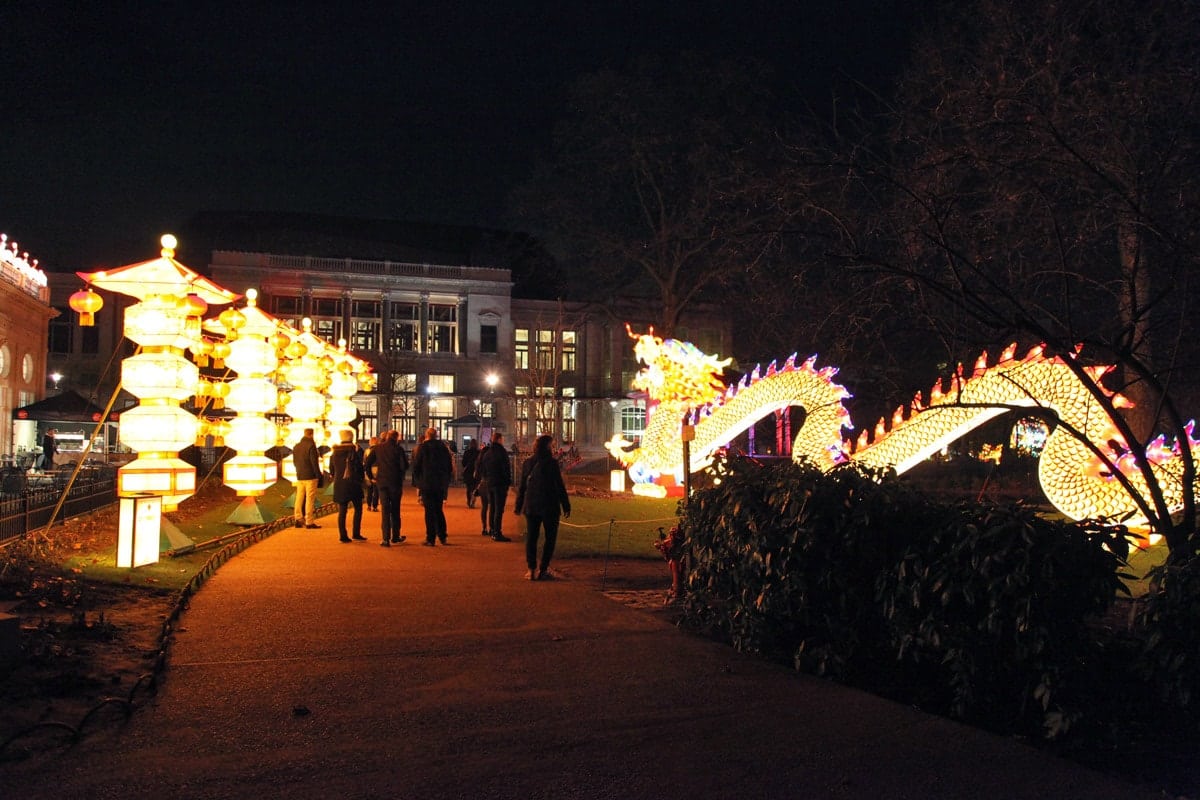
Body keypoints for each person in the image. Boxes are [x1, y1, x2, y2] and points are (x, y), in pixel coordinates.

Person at [514, 434, 571, 581]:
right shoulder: (552, 463)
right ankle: (543, 569)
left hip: (532, 505)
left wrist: (519, 505)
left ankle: (531, 569)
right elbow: (559, 485)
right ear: (548, 447)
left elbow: (522, 486)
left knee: (532, 538)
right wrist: (565, 504)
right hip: (549, 505)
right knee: (550, 538)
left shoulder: (528, 463)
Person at [411, 426, 454, 546]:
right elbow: (449, 466)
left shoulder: (423, 448)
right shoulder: (443, 448)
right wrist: (445, 480)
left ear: (427, 436)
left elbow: (416, 466)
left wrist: (419, 481)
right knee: (439, 509)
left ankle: (430, 538)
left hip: (427, 484)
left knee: (429, 511)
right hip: (439, 484)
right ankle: (442, 535)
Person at [365, 429, 408, 547]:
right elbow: (405, 466)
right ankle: (395, 536)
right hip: (395, 483)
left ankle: (385, 538)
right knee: (395, 509)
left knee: (385, 510)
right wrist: (400, 474)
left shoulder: (378, 448)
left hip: (382, 482)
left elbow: (367, 463)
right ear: (397, 437)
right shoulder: (399, 449)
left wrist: (371, 477)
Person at [329, 430, 367, 543]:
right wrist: (361, 480)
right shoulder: (354, 452)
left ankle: (343, 535)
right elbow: (359, 468)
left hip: (340, 484)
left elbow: (331, 469)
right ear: (352, 438)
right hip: (353, 484)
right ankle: (356, 533)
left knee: (342, 510)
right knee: (358, 509)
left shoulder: (334, 453)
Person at [476, 431, 512, 542]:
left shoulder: (488, 453)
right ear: (500, 439)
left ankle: (492, 529)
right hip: (500, 483)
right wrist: (507, 482)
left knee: (492, 507)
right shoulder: (502, 452)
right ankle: (497, 532)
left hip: (490, 483)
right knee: (499, 508)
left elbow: (483, 468)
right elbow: (506, 469)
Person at [292, 428, 321, 529]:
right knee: (310, 498)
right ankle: (309, 521)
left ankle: (298, 518)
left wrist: (298, 471)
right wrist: (318, 475)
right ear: (312, 434)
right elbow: (314, 463)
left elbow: (294, 462)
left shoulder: (296, 446)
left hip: (300, 475)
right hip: (310, 476)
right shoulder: (311, 446)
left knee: (299, 497)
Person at [476, 440, 492, 536]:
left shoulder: (479, 462)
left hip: (482, 484)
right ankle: (491, 528)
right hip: (490, 484)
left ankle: (484, 527)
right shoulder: (490, 461)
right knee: (492, 507)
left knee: (484, 507)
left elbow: (477, 475)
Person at [461, 438, 481, 509]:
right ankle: (473, 500)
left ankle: (469, 501)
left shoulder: (467, 452)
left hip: (468, 472)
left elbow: (463, 463)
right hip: (476, 472)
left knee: (468, 488)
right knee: (474, 487)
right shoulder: (479, 452)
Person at [363, 435, 381, 511]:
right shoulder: (379, 450)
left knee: (369, 489)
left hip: (369, 470)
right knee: (376, 490)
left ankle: (368, 505)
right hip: (377, 470)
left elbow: (364, 461)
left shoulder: (367, 451)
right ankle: (375, 506)